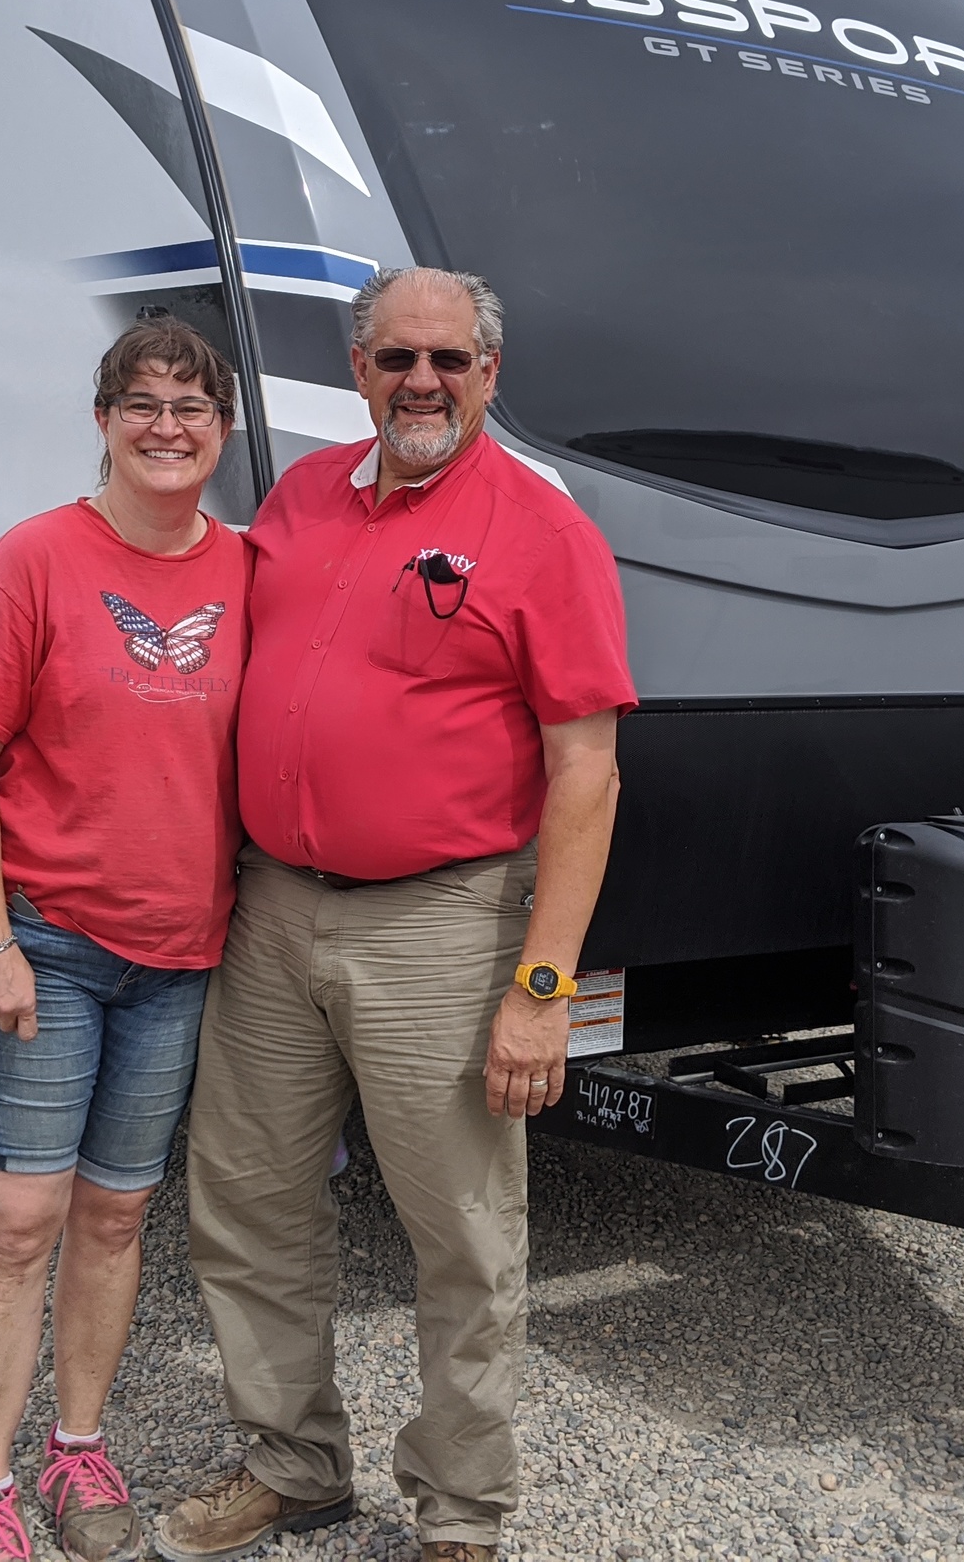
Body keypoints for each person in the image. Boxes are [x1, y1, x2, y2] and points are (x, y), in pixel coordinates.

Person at [155, 269, 635, 1562]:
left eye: (449, 360)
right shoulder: (301, 500)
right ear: (356, 367)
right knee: (247, 1203)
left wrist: (542, 988)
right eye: (396, 358)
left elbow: (587, 773)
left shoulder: (542, 531)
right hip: (274, 909)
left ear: (489, 374)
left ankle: (460, 1516)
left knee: (462, 1235)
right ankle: (292, 1462)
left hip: (445, 922)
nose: (422, 381)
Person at [0, 318, 250, 1562]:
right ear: (103, 419)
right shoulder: (36, 559)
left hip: (180, 955)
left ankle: (78, 1448)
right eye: (143, 403)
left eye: (193, 404)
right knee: (20, 1217)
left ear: (224, 426)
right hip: (48, 943)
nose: (169, 426)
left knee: (116, 1218)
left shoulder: (248, 569)